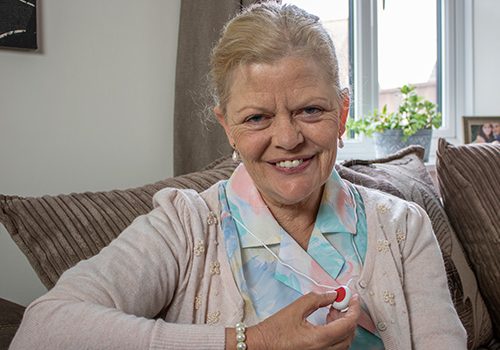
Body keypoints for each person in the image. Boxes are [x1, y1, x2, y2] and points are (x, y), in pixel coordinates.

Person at [10, 2, 466, 349]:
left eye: (311, 110)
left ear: (342, 113)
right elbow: (42, 329)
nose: (287, 138)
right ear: (226, 125)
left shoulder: (404, 227)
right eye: (257, 118)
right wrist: (252, 341)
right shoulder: (184, 224)